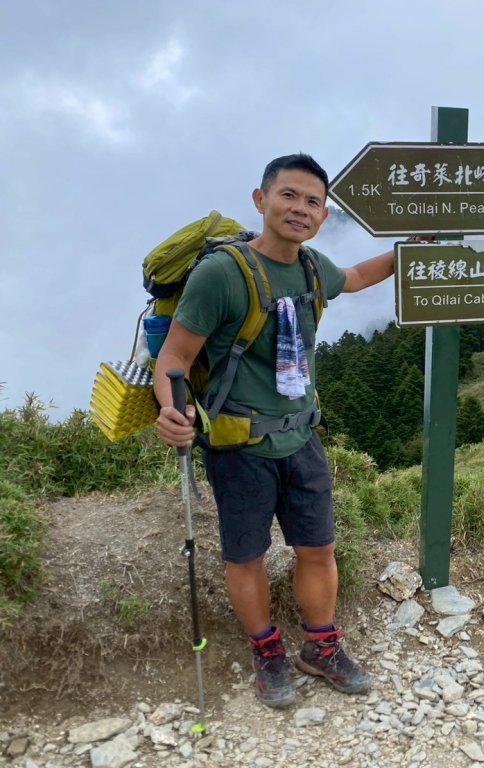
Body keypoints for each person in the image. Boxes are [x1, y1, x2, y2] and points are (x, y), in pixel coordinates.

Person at [154, 153, 395, 709]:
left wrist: (410, 255)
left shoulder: (312, 268)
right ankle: (267, 652)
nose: (300, 209)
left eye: (313, 201)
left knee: (318, 549)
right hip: (240, 446)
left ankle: (321, 647)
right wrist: (174, 411)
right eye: (289, 196)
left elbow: (355, 278)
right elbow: (175, 356)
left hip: (302, 436)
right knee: (247, 557)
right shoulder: (222, 274)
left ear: (323, 213)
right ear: (260, 200)